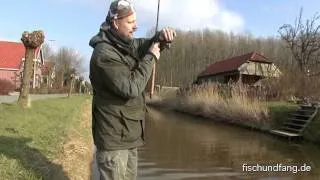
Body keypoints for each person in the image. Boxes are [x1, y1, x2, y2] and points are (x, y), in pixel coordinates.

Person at [89, 0, 176, 179]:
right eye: (130, 22)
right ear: (115, 22)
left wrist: (159, 37)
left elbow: (140, 45)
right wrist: (151, 57)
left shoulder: (123, 43)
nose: (136, 26)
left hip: (128, 136)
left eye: (135, 21)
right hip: (114, 140)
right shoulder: (104, 54)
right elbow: (131, 88)